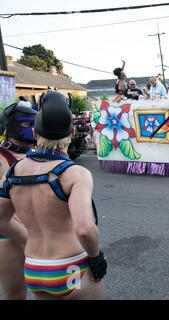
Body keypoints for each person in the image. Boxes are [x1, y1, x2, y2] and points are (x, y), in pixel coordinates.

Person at [0, 91, 107, 300]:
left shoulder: (13, 172)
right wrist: (96, 257)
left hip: (35, 270)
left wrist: (31, 237)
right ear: (72, 132)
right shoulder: (76, 174)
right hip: (70, 268)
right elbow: (85, 229)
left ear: (35, 131)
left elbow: (1, 220)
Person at [0, 102, 37, 300]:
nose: (32, 128)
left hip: (38, 233)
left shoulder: (37, 155)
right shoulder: (1, 158)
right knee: (16, 294)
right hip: (8, 236)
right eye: (26, 124)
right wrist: (31, 241)